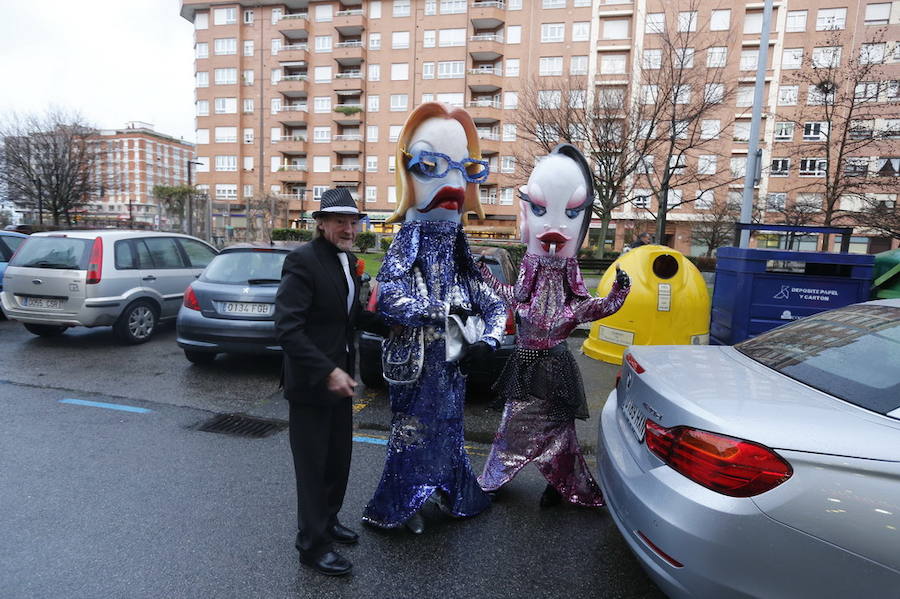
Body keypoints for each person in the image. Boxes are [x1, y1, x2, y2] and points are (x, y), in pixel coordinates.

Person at [362, 102, 507, 534]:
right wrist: (440, 312)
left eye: (466, 168)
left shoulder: (461, 251)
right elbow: (388, 295)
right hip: (416, 367)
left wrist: (490, 340)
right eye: (429, 164)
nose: (452, 180)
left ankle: (448, 491)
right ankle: (406, 503)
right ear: (406, 171)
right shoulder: (408, 240)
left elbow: (495, 302)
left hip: (453, 372)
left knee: (448, 432)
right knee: (411, 434)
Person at [477, 144, 631, 508]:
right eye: (541, 208)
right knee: (513, 422)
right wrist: (482, 274)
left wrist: (616, 297)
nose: (556, 224)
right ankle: (495, 478)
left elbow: (582, 305)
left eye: (572, 211)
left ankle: (560, 483)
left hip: (556, 361)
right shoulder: (530, 262)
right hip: (528, 359)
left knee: (561, 428)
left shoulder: (569, 267)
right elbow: (514, 296)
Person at [274, 187, 385, 577]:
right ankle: (312, 545)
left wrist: (395, 325)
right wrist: (328, 370)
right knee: (312, 466)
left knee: (338, 459)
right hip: (311, 384)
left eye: (353, 221)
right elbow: (288, 329)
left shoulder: (348, 261)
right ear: (320, 224)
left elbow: (349, 317)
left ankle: (329, 521)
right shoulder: (301, 261)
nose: (349, 228)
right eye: (340, 221)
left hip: (341, 381)